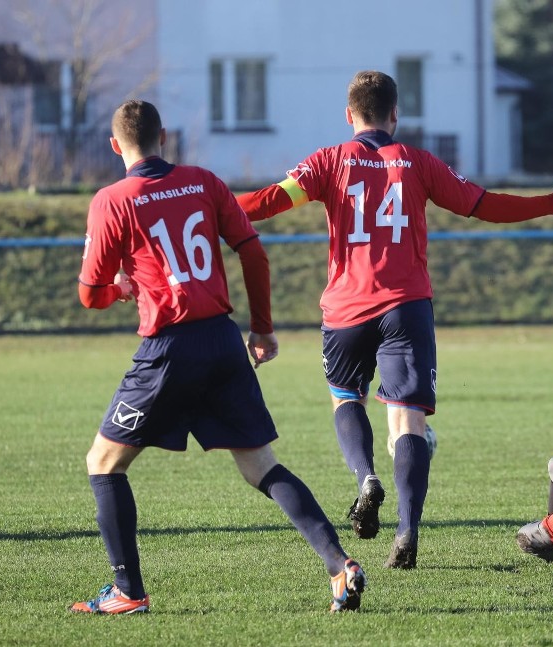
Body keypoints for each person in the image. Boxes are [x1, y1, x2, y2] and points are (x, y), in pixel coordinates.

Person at [236, 70, 553, 569]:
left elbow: (266, 202)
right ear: (395, 115)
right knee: (408, 420)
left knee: (347, 397)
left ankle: (366, 476)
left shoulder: (328, 161)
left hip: (345, 308)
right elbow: (483, 205)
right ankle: (407, 530)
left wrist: (203, 206)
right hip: (406, 306)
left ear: (348, 116)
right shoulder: (417, 162)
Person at [71, 100, 365, 615]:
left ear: (115, 146)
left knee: (103, 464)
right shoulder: (204, 181)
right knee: (260, 467)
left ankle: (127, 592)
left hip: (168, 349)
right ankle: (340, 564)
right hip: (223, 340)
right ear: (165, 137)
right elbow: (252, 252)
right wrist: (263, 329)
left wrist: (120, 290)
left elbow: (89, 294)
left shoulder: (112, 199)